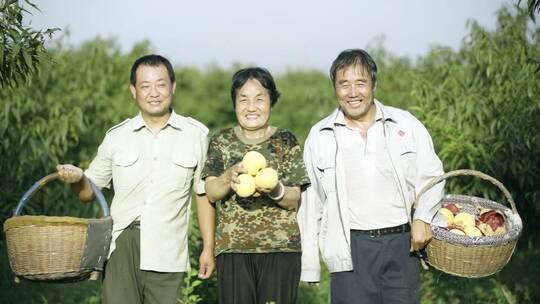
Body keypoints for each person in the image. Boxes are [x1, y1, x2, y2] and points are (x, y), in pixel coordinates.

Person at [56, 54, 215, 304]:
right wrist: (78, 178)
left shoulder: (195, 135)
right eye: (145, 86)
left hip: (168, 248)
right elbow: (88, 193)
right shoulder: (117, 137)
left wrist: (208, 248)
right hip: (121, 245)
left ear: (173, 86)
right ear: (133, 90)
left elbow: (203, 193)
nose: (154, 92)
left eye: (161, 84)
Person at [298, 49, 445, 303]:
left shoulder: (405, 124)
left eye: (360, 83)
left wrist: (423, 217)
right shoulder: (320, 135)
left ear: (374, 84)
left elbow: (432, 175)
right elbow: (311, 204)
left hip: (402, 244)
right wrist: (309, 264)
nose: (352, 93)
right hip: (351, 247)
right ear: (335, 88)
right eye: (344, 84)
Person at [202, 67, 310, 304]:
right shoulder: (221, 141)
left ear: (271, 101)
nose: (252, 107)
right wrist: (228, 176)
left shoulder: (286, 140)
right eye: (244, 99)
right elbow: (211, 192)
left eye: (260, 99)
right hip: (233, 250)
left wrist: (274, 190)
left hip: (281, 250)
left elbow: (294, 198)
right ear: (234, 103)